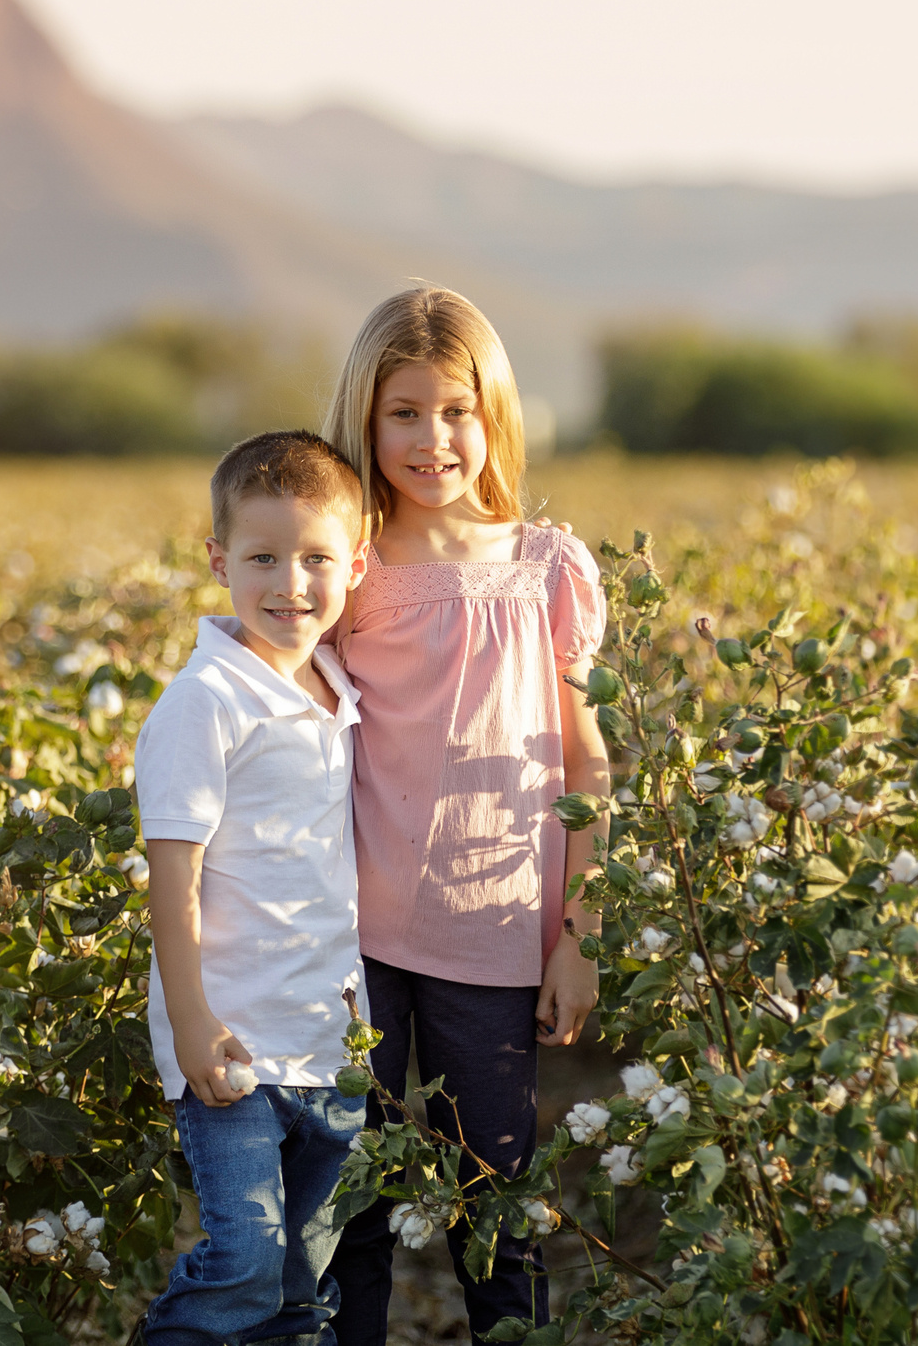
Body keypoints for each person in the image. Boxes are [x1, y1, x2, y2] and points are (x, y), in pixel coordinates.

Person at [319, 287, 611, 1346]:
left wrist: (574, 939)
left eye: (455, 411)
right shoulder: (342, 569)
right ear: (364, 416)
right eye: (403, 413)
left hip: (488, 937)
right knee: (344, 1210)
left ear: (492, 416)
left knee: (493, 1211)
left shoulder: (543, 571)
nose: (431, 438)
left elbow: (588, 763)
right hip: (348, 939)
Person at [138, 429, 376, 1346]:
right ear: (217, 561)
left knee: (301, 1284)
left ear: (355, 564)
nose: (291, 583)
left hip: (330, 1043)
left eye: (317, 558)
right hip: (233, 1042)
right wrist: (190, 1017)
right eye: (262, 557)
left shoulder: (335, 684)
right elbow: (174, 873)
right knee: (243, 1259)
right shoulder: (206, 700)